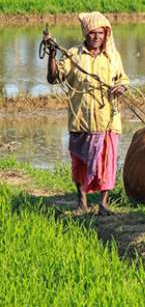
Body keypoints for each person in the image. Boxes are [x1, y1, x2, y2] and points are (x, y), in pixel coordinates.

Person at [44, 12, 129, 215]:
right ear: (85, 34)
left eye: (100, 33)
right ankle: (81, 201)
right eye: (92, 33)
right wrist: (51, 54)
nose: (97, 37)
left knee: (106, 162)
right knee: (80, 161)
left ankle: (103, 204)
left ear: (106, 34)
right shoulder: (73, 55)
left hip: (107, 119)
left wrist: (121, 88)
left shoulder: (112, 57)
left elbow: (123, 79)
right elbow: (53, 77)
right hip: (81, 119)